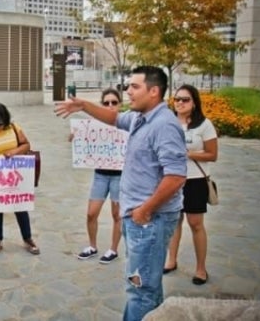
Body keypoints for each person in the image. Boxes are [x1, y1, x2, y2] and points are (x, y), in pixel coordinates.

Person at [55, 66, 187, 321]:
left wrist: (145, 210)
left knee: (141, 290)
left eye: (134, 87)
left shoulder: (164, 125)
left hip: (150, 220)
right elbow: (113, 118)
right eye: (128, 86)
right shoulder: (140, 117)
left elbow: (176, 176)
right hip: (138, 218)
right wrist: (83, 105)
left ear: (154, 91)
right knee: (145, 285)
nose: (128, 91)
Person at [163, 84, 218, 285]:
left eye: (185, 99)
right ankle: (171, 260)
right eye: (176, 99)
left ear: (194, 103)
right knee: (174, 221)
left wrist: (188, 154)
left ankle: (201, 268)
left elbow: (213, 155)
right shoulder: (168, 123)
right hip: (171, 178)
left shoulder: (204, 125)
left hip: (195, 180)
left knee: (196, 224)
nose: (179, 103)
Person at [0, 103, 40, 255]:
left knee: (20, 206)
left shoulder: (14, 128)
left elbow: (26, 145)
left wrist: (14, 151)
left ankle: (27, 238)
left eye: (0, 125)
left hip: (15, 174)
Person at [75, 88, 123, 264]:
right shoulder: (94, 124)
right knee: (91, 213)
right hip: (101, 174)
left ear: (120, 104)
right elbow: (78, 140)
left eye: (114, 102)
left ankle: (113, 249)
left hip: (120, 175)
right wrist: (77, 136)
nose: (110, 106)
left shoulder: (126, 124)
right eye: (106, 103)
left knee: (117, 214)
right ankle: (92, 246)